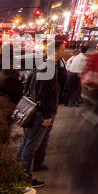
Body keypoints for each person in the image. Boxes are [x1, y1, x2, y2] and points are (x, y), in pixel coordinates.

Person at [16, 59, 61, 187]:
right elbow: (45, 94)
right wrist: (47, 116)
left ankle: (16, 174)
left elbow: (26, 90)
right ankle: (24, 178)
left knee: (25, 143)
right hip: (39, 114)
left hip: (30, 112)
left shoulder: (35, 71)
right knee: (30, 146)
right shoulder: (48, 71)